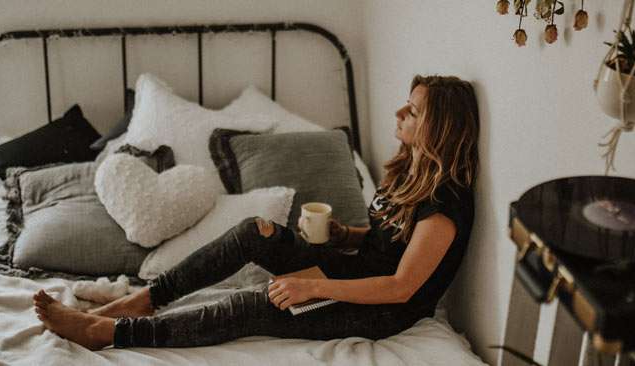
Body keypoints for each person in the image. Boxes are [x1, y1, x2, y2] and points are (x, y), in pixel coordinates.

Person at [33, 75, 480, 350]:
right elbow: (387, 243)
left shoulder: (444, 205)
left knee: (255, 304)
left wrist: (308, 285)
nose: (400, 111)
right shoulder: (408, 172)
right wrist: (347, 235)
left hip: (378, 309)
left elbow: (401, 287)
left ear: (437, 128)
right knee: (256, 232)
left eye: (414, 110)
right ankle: (144, 300)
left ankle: (110, 334)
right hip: (351, 273)